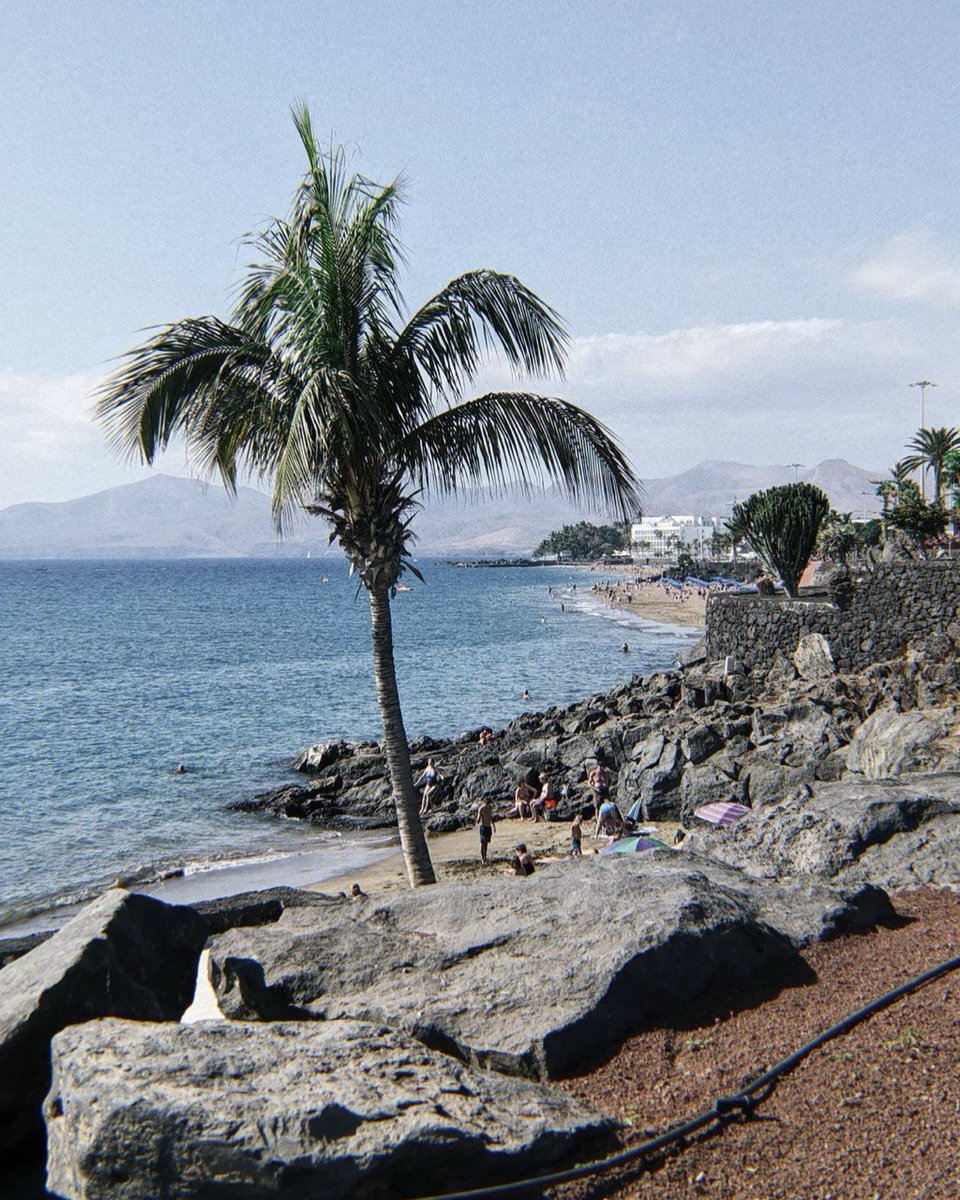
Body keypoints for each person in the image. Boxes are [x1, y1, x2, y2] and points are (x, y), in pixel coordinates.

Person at [476, 799, 495, 864]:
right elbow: (490, 817)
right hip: (485, 826)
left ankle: (484, 857)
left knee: (484, 843)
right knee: (484, 843)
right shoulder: (487, 807)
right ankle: (483, 858)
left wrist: (477, 821)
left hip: (485, 826)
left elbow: (478, 819)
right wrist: (493, 825)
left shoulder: (482, 808)